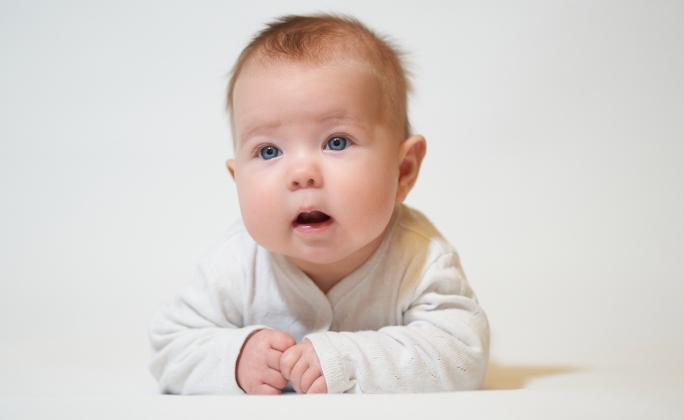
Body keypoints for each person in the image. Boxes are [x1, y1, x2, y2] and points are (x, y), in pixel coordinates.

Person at [148, 13, 489, 395]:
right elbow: (169, 345)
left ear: (403, 170)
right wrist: (235, 357)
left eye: (336, 142)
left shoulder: (420, 257)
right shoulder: (237, 263)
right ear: (237, 180)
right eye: (269, 150)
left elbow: (463, 352)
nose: (301, 173)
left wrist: (349, 360)